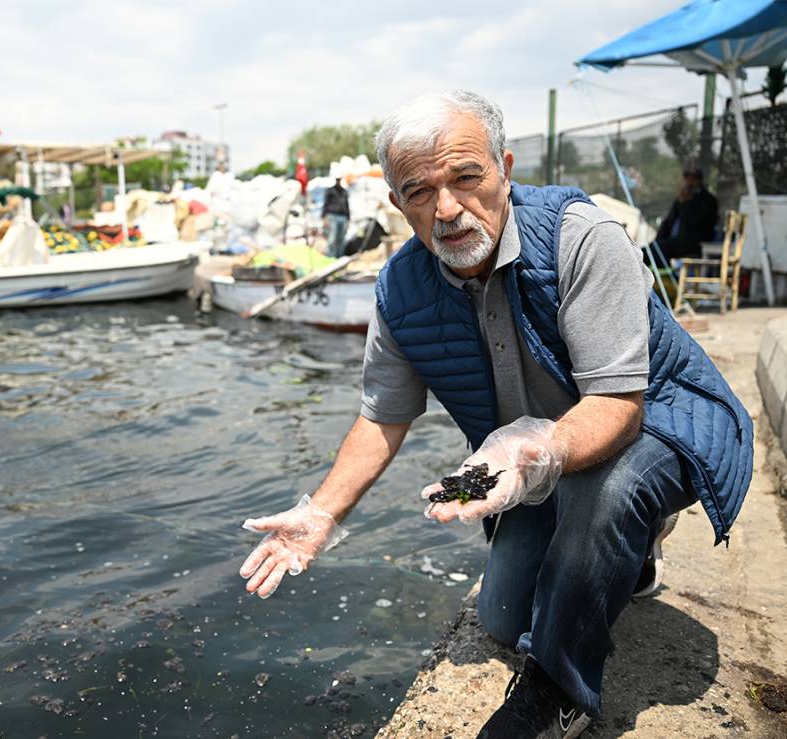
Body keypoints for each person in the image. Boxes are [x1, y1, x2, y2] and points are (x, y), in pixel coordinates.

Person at [239, 91, 752, 739]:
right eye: (419, 190)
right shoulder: (399, 287)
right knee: (504, 617)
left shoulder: (581, 238)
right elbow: (382, 418)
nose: (447, 209)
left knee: (611, 485)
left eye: (466, 177)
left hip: (661, 423)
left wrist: (534, 452)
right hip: (532, 454)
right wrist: (322, 512)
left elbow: (619, 405)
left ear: (504, 167)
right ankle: (632, 555)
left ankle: (557, 690)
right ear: (398, 204)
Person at [655, 166, 719, 261]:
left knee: (659, 250)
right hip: (678, 241)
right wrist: (657, 241)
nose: (689, 182)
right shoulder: (682, 199)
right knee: (650, 250)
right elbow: (668, 222)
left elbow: (697, 223)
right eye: (687, 178)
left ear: (699, 180)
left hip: (694, 243)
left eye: (693, 178)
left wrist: (685, 203)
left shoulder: (708, 200)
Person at [322, 177, 350, 258]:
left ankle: (339, 258)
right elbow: (325, 204)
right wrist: (324, 218)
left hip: (343, 217)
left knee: (341, 240)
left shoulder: (344, 192)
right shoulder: (330, 191)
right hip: (332, 217)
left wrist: (348, 219)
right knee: (332, 239)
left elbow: (347, 205)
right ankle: (330, 258)